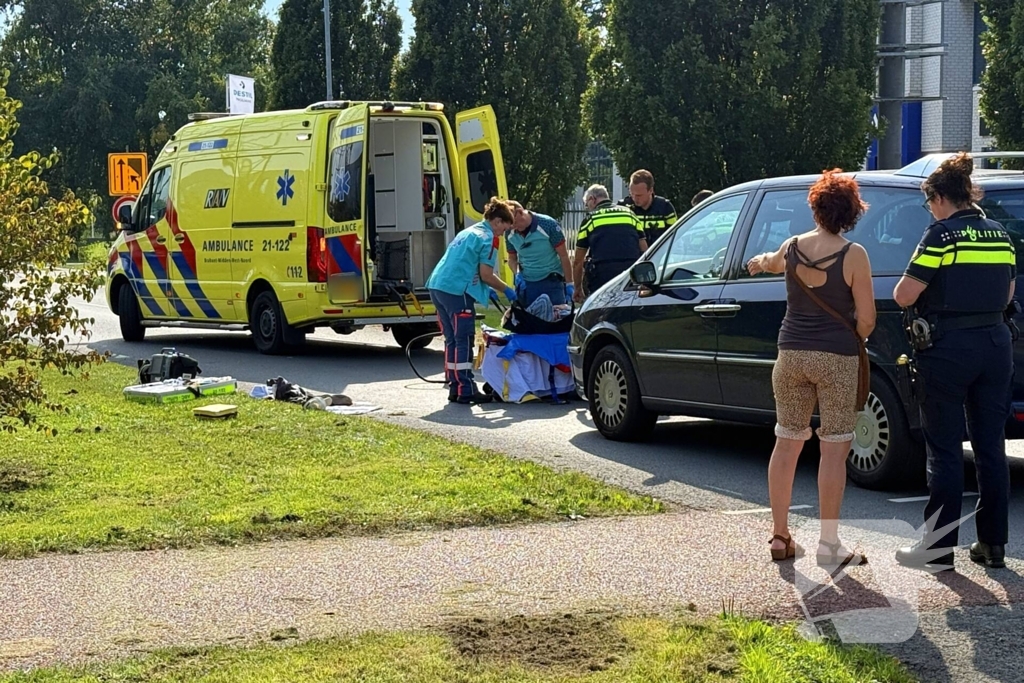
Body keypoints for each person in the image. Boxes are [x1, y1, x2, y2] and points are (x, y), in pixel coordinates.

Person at [892, 153, 1016, 572]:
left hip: (948, 349)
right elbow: (1009, 292)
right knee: (990, 449)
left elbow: (904, 295)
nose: (930, 209)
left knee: (944, 451)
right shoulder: (1000, 234)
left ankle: (938, 550)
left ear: (941, 197)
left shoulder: (941, 236)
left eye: (930, 202)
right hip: (996, 346)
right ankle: (993, 545)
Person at [746, 169, 875, 566]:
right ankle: (829, 545)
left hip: (791, 354)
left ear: (815, 207)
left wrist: (758, 262)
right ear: (851, 213)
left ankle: (780, 537)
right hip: (837, 358)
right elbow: (867, 319)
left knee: (787, 443)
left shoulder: (792, 246)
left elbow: (767, 262)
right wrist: (854, 334)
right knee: (834, 451)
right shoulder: (854, 256)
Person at [426, 197, 517, 405]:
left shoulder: (468, 232)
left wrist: (485, 291)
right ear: (497, 222)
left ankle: (454, 387)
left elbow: (468, 266)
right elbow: (485, 274)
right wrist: (506, 290)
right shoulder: (488, 238)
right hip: (456, 291)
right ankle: (466, 389)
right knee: (464, 339)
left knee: (451, 339)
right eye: (504, 229)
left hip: (437, 286)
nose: (503, 235)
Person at [573, 185, 648, 303]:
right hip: (630, 277)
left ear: (592, 199)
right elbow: (644, 250)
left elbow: (578, 261)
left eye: (587, 204)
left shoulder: (590, 219)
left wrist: (577, 288)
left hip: (602, 278)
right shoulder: (630, 214)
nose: (588, 208)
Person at [506, 201, 574, 307]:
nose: (513, 228)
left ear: (519, 212)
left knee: (555, 319)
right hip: (527, 283)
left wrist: (570, 283)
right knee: (526, 321)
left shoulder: (548, 225)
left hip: (551, 281)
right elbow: (511, 259)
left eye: (514, 224)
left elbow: (564, 256)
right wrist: (517, 273)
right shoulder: (509, 233)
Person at [618, 169, 678, 244]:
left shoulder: (665, 207)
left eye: (639, 195)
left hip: (659, 253)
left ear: (650, 190)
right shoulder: (624, 207)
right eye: (631, 194)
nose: (634, 198)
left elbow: (675, 235)